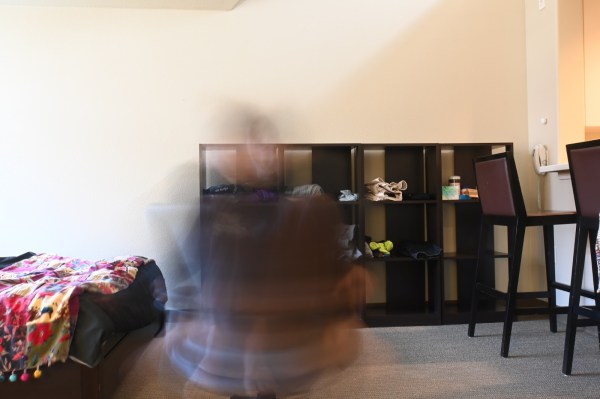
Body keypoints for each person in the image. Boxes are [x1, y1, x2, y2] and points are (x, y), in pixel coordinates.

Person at [165, 107, 368, 399]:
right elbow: (187, 270)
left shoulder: (308, 213)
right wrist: (188, 320)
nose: (260, 156)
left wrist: (341, 310)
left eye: (265, 147)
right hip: (235, 340)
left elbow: (334, 270)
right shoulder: (215, 216)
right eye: (249, 146)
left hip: (286, 340)